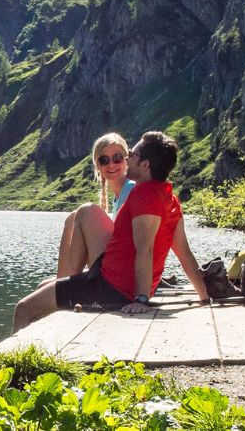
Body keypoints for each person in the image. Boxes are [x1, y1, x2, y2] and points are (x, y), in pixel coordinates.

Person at [13, 131, 209, 333]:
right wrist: (204, 297)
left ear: (145, 165)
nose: (127, 158)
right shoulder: (170, 199)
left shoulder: (144, 195)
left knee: (23, 309)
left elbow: (145, 249)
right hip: (113, 284)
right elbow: (184, 253)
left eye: (131, 154)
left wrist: (141, 299)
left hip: (109, 288)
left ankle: (11, 363)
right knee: (43, 297)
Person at [53, 132, 135, 279]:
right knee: (72, 218)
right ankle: (63, 281)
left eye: (117, 158)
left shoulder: (131, 189)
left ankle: (67, 287)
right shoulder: (118, 196)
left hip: (125, 272)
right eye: (104, 160)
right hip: (116, 264)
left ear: (126, 160)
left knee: (86, 211)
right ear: (98, 165)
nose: (111, 164)